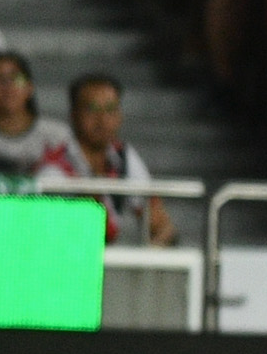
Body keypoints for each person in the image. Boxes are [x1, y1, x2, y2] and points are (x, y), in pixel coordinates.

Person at [35, 72, 176, 245]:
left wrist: (150, 256)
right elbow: (53, 238)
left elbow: (160, 223)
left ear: (120, 115)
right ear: (73, 114)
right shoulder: (54, 168)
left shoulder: (123, 155)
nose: (102, 119)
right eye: (92, 109)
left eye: (110, 109)